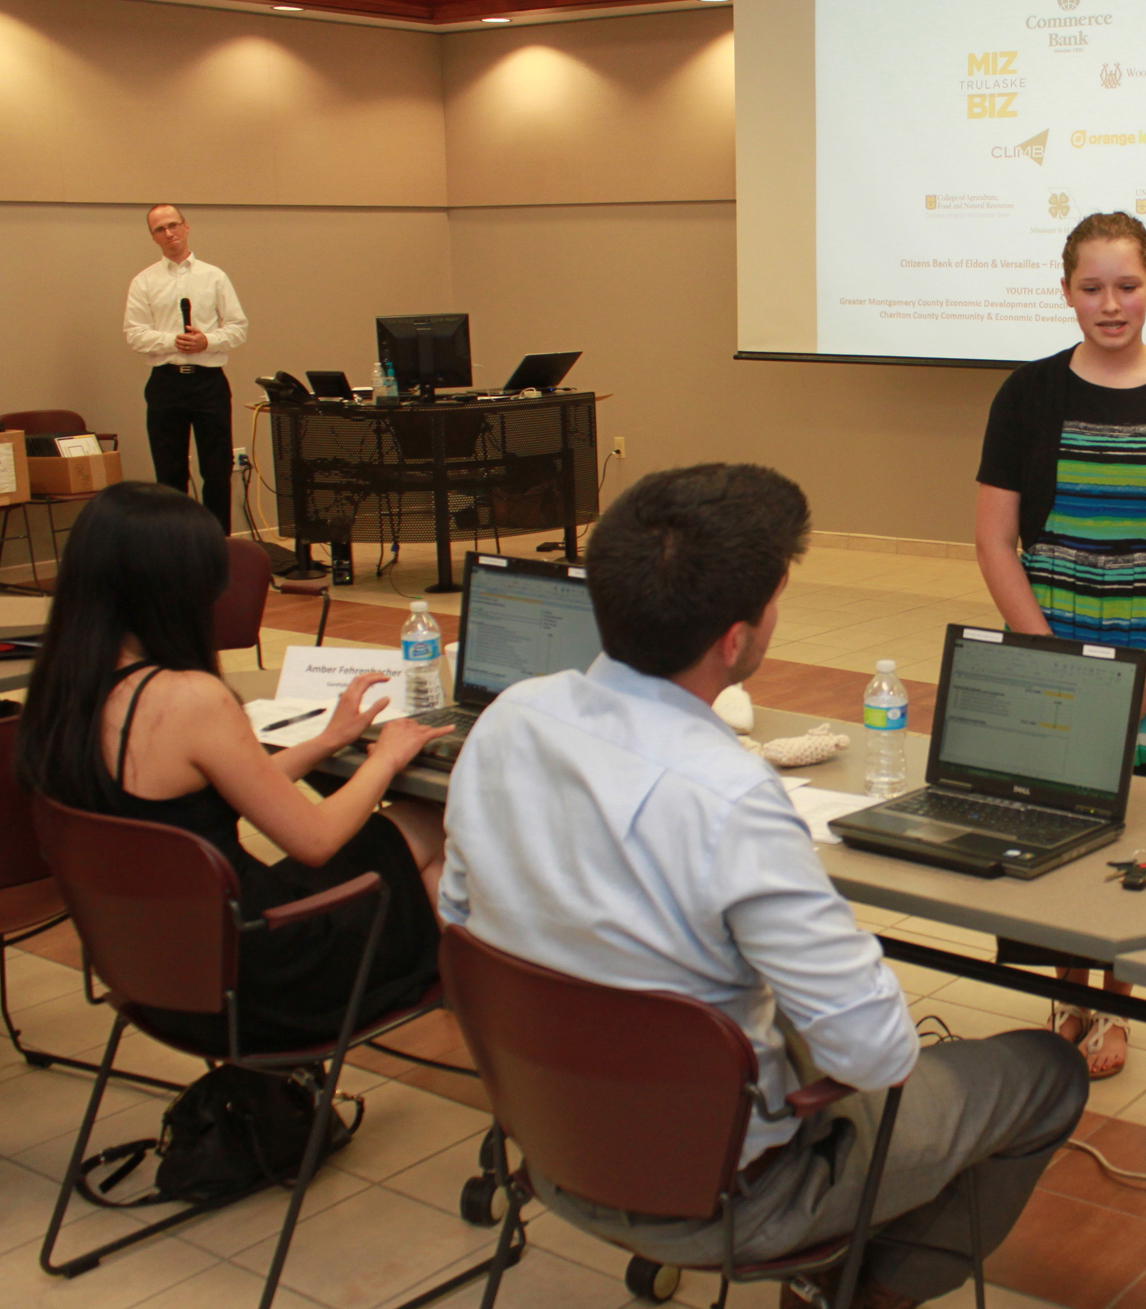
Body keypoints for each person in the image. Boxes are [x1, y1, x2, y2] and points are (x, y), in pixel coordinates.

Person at [440, 464, 1088, 1309]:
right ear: (736, 639)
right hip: (730, 1198)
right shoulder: (731, 795)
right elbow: (880, 1055)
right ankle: (847, 1289)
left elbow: (461, 919)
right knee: (1046, 1071)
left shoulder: (510, 720)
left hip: (551, 1145)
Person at [13, 481, 451, 1053]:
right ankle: (503, 1023)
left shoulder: (62, 686)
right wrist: (387, 755)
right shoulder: (188, 697)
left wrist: (328, 741)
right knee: (432, 820)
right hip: (263, 978)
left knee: (398, 838)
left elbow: (218, 789)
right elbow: (313, 840)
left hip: (157, 966)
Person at [973, 210, 1146, 1078]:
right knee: (1053, 830)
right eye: (1092, 287)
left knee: (1142, 840)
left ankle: (1116, 1005)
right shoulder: (1027, 394)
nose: (1110, 304)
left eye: (1127, 286)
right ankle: (1070, 995)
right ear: (1065, 292)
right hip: (1052, 636)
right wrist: (1046, 657)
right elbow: (994, 542)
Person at [124, 204, 249, 532]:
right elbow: (134, 334)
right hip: (166, 383)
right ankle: (175, 548)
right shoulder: (144, 281)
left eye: (173, 225)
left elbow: (238, 327)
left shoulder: (214, 276)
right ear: (153, 237)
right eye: (160, 229)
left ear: (186, 226)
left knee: (217, 470)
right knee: (169, 474)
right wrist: (174, 342)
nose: (169, 233)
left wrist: (206, 341)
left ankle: (218, 546)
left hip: (209, 383)